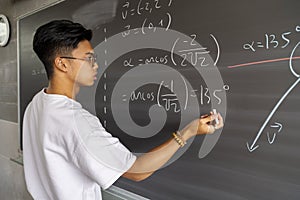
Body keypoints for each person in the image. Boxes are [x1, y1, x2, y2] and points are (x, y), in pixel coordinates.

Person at [22, 19, 223, 200]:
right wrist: (187, 132)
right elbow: (137, 171)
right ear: (62, 64)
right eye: (88, 58)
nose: (95, 65)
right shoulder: (75, 122)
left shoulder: (37, 104)